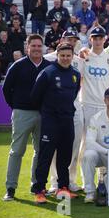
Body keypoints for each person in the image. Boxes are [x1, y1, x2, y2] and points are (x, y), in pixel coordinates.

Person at [1, 35, 51, 201]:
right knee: (17, 151)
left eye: (39, 45)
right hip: (22, 113)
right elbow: (6, 89)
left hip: (43, 115)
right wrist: (16, 106)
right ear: (27, 47)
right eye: (33, 46)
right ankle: (10, 187)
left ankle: (36, 185)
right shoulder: (18, 66)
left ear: (43, 47)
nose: (37, 48)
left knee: (40, 151)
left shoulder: (48, 66)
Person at [31, 43, 81, 204]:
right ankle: (39, 190)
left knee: (65, 156)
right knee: (45, 156)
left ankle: (63, 187)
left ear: (72, 56)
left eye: (68, 55)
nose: (65, 58)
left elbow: (73, 94)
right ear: (57, 55)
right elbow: (35, 96)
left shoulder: (75, 74)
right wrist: (49, 112)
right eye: (63, 55)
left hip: (68, 121)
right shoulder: (48, 73)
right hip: (50, 121)